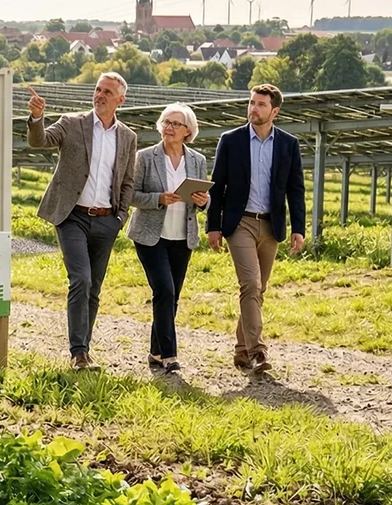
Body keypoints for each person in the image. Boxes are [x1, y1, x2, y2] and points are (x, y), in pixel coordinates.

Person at [26, 72, 138, 370]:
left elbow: (127, 181)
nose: (100, 95)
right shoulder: (71, 122)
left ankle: (84, 350)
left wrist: (120, 217)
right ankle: (78, 352)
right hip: (72, 216)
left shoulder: (127, 137)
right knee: (81, 279)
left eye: (107, 92)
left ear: (120, 100)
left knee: (95, 287)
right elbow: (41, 141)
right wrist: (37, 118)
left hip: (106, 221)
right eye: (98, 89)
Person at [205, 84, 306, 374]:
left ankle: (240, 351)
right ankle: (258, 351)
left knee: (258, 289)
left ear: (274, 111)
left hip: (271, 225)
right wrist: (214, 226)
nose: (253, 109)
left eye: (261, 105)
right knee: (250, 284)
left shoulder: (288, 144)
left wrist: (298, 227)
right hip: (240, 223)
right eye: (251, 103)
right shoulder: (231, 140)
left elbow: (295, 189)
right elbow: (217, 185)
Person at [127, 103, 209, 374]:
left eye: (176, 124)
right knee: (164, 289)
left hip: (182, 235)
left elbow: (202, 200)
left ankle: (155, 351)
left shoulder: (197, 160)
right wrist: (158, 199)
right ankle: (170, 355)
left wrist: (203, 200)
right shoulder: (145, 157)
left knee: (170, 297)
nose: (169, 127)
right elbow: (130, 195)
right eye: (166, 122)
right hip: (150, 234)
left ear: (188, 131)